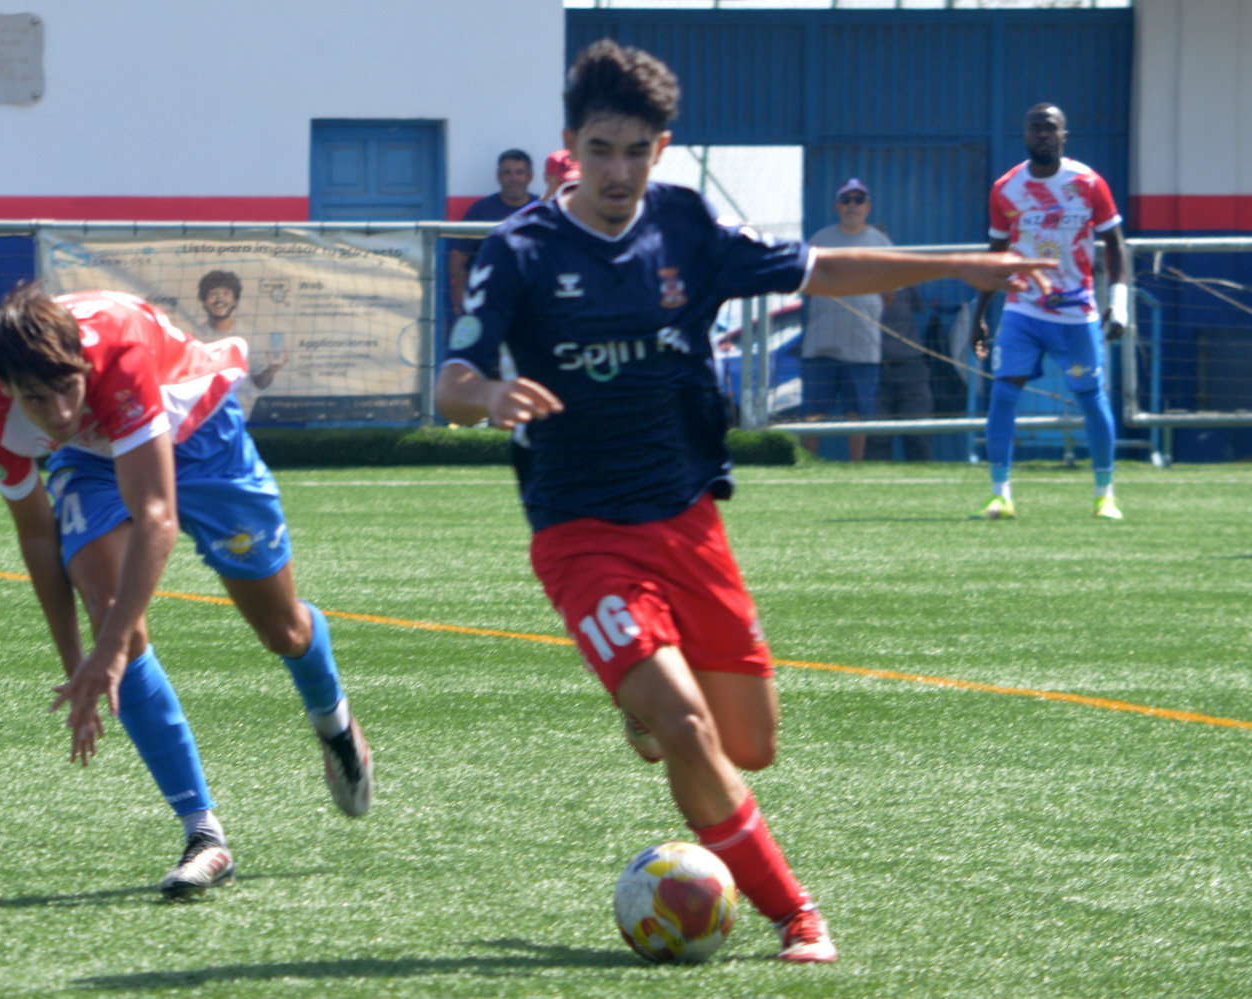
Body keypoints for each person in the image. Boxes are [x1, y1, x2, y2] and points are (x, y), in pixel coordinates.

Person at [434, 38, 1050, 964]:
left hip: (687, 517)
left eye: (636, 151)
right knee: (689, 730)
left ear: (661, 148)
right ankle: (794, 910)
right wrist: (486, 397)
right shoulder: (518, 249)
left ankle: (645, 706)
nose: (618, 170)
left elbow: (821, 270)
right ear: (572, 144)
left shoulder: (684, 226)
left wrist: (959, 264)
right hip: (580, 532)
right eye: (600, 149)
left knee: (748, 744)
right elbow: (450, 380)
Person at [0, 283, 374, 900]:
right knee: (109, 615)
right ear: (8, 390)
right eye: (36, 401)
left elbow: (157, 516)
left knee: (282, 630)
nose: (59, 414)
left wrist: (109, 655)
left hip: (202, 434)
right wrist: (79, 660)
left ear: (83, 366)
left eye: (68, 389)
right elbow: (38, 539)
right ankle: (204, 834)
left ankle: (333, 721)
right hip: (92, 464)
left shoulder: (118, 356)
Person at [970, 103, 1128, 520]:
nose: (1042, 134)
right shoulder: (1006, 188)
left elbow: (1115, 244)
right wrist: (979, 313)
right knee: (1004, 393)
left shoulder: (1088, 182)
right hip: (1024, 308)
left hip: (1078, 312)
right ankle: (1000, 495)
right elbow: (996, 254)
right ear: (1024, 135)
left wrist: (1121, 303)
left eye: (1050, 128)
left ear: (1064, 135)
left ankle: (1104, 494)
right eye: (1035, 128)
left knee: (1091, 400)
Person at [800, 179, 894, 462]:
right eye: (846, 200)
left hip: (863, 346)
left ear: (868, 206)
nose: (852, 205)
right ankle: (805, 464)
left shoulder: (881, 243)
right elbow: (806, 287)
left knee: (859, 413)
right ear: (837, 206)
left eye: (858, 199)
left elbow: (889, 294)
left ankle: (856, 466)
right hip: (820, 345)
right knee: (814, 412)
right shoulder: (819, 240)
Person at [448, 150, 536, 314]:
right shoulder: (481, 210)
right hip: (489, 303)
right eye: (507, 173)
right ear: (499, 177)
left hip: (533, 302)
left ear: (529, 177)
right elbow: (457, 258)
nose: (513, 178)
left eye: (519, 172)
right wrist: (463, 298)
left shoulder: (543, 209)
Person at [863, 283, 935, 461]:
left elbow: (919, 310)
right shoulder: (859, 285)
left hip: (911, 367)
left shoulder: (906, 282)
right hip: (874, 369)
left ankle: (922, 481)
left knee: (918, 433)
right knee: (876, 438)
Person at [196, 270, 286, 391]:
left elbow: (260, 383)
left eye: (226, 294)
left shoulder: (250, 336)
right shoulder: (194, 339)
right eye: (213, 294)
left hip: (240, 409)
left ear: (235, 301)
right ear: (204, 302)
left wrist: (271, 370)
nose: (219, 299)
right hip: (207, 409)